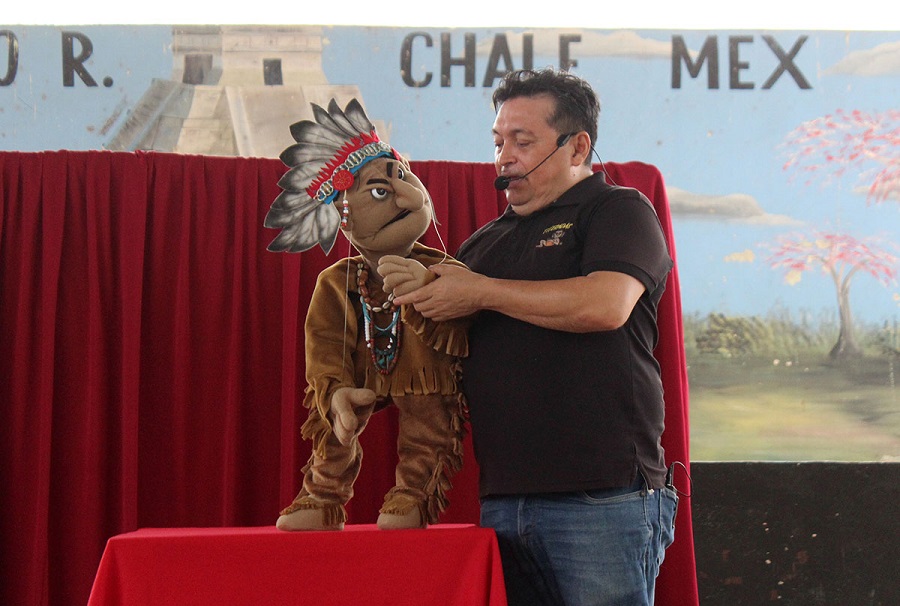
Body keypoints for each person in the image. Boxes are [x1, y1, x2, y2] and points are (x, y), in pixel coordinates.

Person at [380, 68, 678, 605]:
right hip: (504, 500)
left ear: (577, 145)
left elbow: (605, 304)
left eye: (523, 141)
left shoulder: (618, 210)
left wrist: (482, 293)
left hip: (603, 496)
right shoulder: (484, 244)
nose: (504, 156)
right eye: (498, 141)